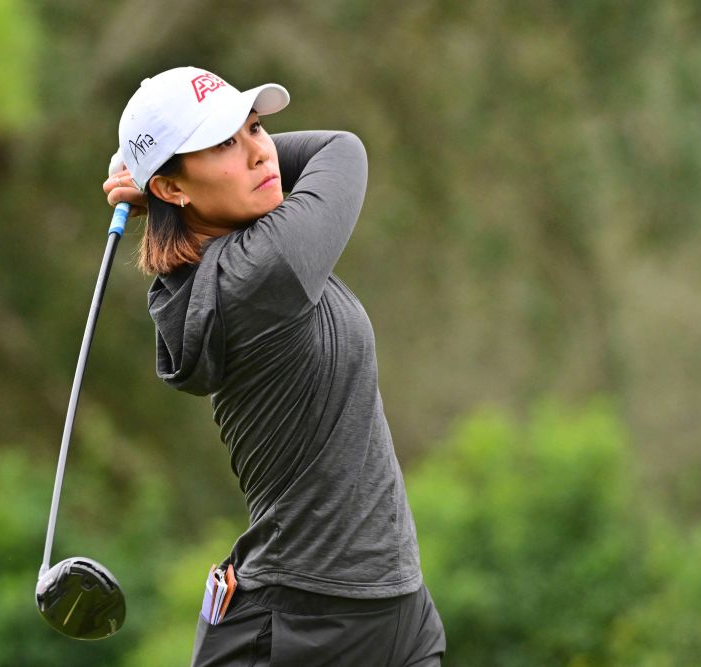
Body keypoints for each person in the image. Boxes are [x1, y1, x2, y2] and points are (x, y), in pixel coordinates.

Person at [103, 67, 446, 666]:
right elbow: (341, 149)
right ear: (173, 188)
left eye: (256, 128)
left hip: (396, 609)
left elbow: (300, 157)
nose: (261, 153)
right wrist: (151, 173)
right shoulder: (261, 271)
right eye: (222, 143)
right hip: (300, 625)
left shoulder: (247, 255)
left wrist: (160, 173)